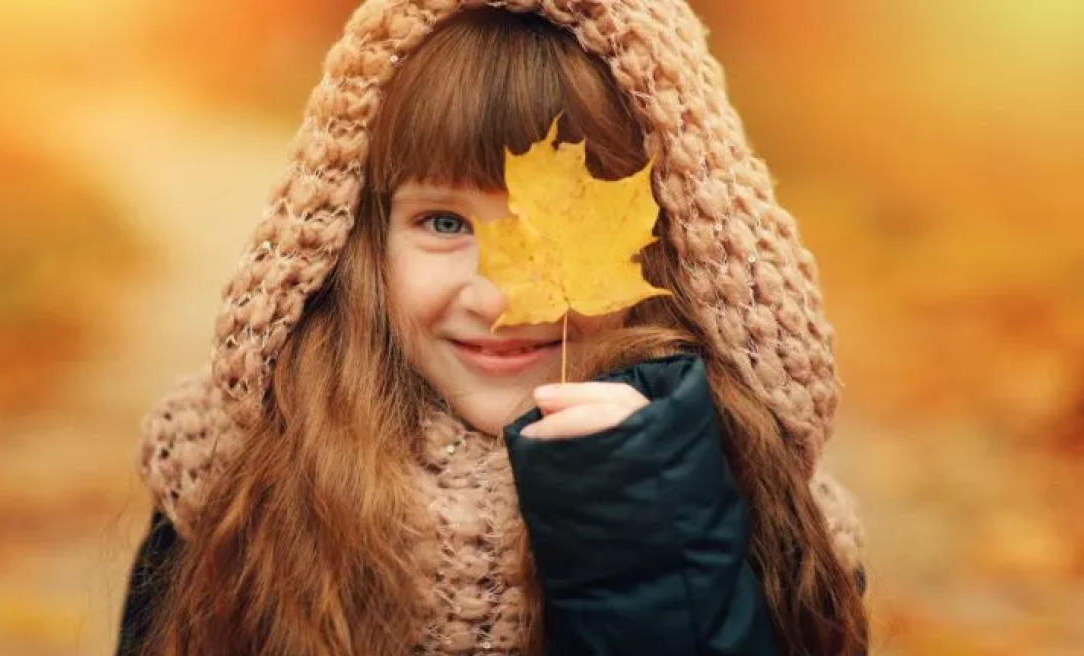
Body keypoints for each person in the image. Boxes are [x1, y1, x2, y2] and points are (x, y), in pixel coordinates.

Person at [116, 2, 869, 655]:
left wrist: (647, 535)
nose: (500, 296)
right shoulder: (236, 481)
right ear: (358, 244)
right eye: (443, 222)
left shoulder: (748, 508)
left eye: (558, 225)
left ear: (672, 247)